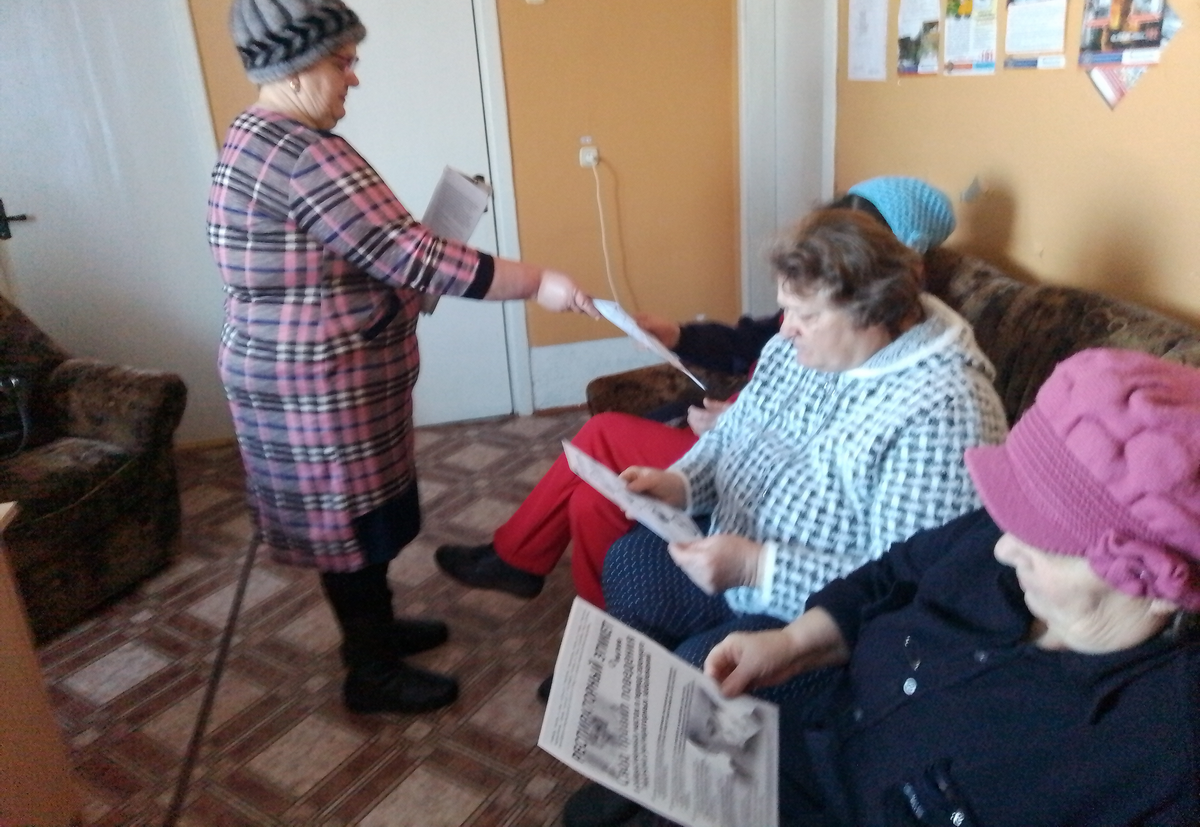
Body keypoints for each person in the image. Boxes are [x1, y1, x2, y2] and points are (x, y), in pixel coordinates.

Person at [207, 0, 595, 716]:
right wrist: (538, 281)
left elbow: (357, 250)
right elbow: (414, 257)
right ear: (295, 66)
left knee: (355, 521)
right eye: (342, 62)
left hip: (294, 373)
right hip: (319, 385)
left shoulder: (254, 135)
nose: (354, 77)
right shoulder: (307, 154)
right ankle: (370, 671)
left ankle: (376, 633)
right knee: (351, 526)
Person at [563, 207, 1007, 827]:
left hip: (823, 628)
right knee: (632, 561)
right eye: (785, 309)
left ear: (874, 310)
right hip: (738, 556)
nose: (786, 328)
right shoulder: (796, 349)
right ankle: (635, 755)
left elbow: (906, 587)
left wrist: (757, 567)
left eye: (806, 314)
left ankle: (679, 794)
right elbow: (732, 436)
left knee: (705, 669)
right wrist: (679, 483)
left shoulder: (945, 408)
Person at [704, 348, 1200, 826]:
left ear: (1157, 589)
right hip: (806, 741)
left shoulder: (1164, 760)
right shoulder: (1008, 532)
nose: (1002, 548)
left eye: (1045, 541)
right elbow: (892, 574)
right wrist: (793, 643)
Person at [434, 177, 958, 615]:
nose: (789, 327)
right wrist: (680, 336)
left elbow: (826, 437)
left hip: (750, 454)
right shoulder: (816, 303)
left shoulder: (885, 340)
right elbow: (755, 339)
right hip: (732, 429)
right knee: (594, 498)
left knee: (601, 435)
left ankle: (519, 560)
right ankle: (603, 634)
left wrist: (736, 422)